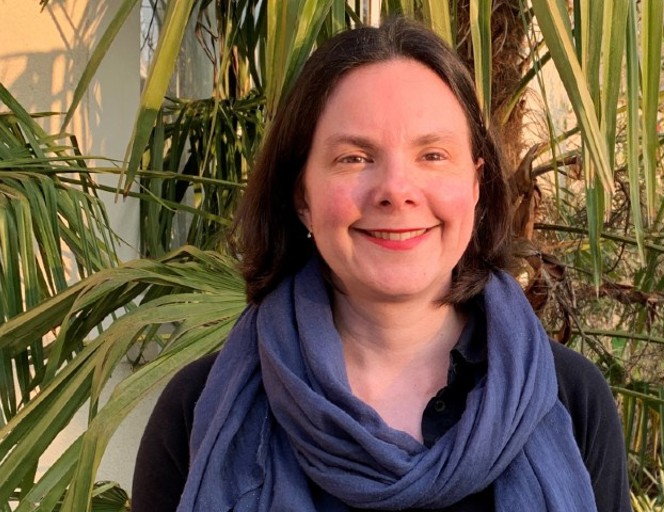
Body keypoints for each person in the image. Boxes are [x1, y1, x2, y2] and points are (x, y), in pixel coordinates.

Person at [132, 17, 631, 512]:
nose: (396, 190)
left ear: (476, 185)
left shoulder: (571, 399)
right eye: (354, 158)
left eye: (432, 155)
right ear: (302, 195)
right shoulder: (199, 409)